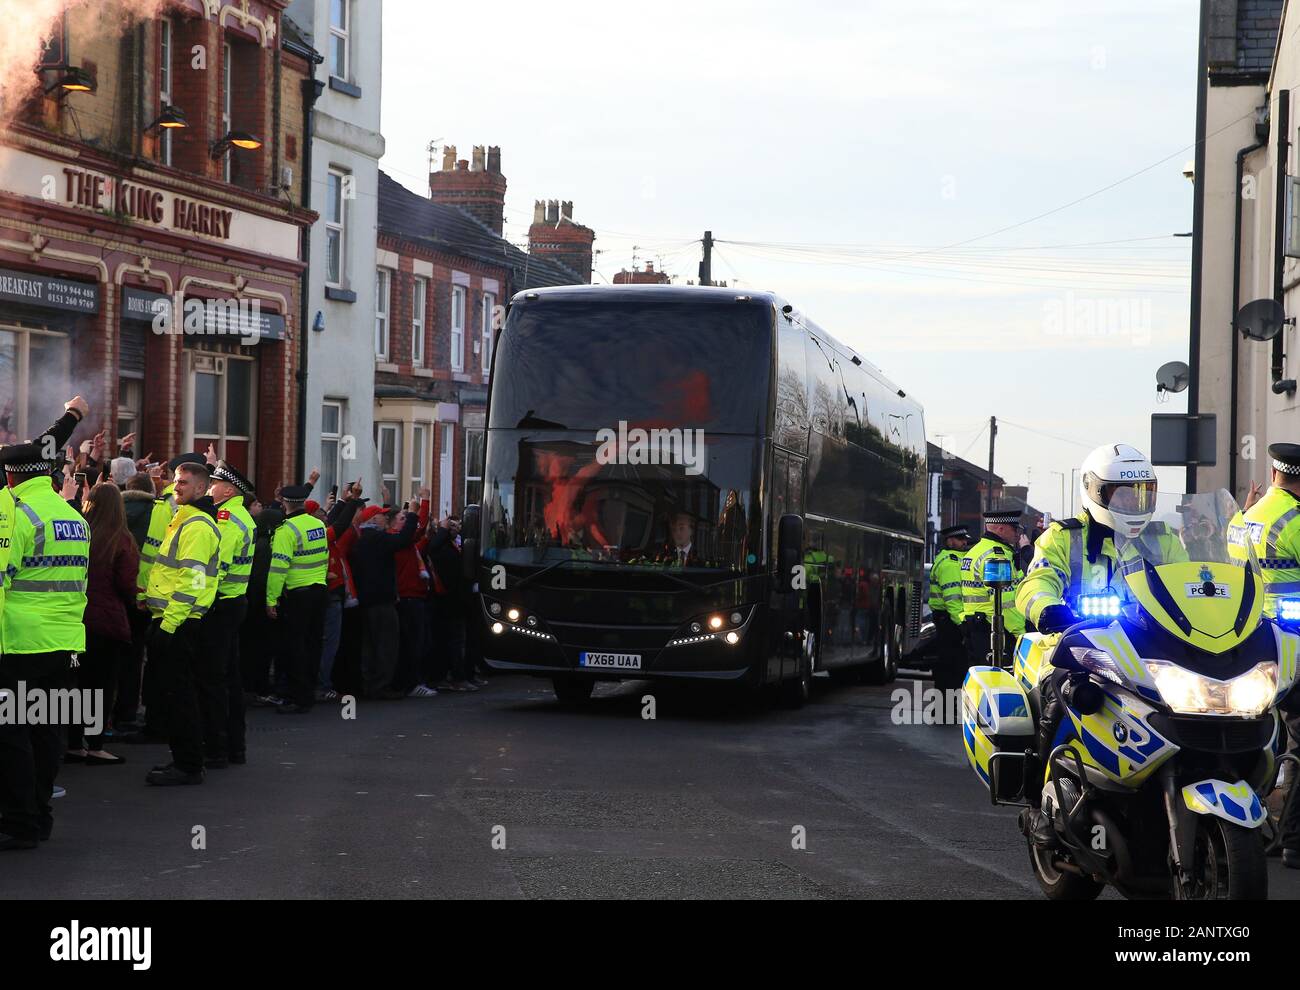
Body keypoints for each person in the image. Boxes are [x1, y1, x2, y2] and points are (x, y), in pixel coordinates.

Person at [1014, 443, 1166, 846]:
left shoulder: (1162, 539)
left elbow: (1191, 579)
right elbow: (1036, 581)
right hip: (1076, 647)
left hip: (1145, 653)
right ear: (1096, 492)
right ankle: (1040, 805)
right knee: (1064, 698)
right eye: (1124, 494)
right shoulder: (1063, 538)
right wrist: (1048, 608)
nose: (1135, 504)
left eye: (1143, 494)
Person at [0, 397, 89, 850]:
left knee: (11, 736)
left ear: (13, 477)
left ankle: (19, 823)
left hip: (20, 644)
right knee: (46, 730)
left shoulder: (15, 513)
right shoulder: (72, 516)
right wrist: (70, 419)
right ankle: (39, 816)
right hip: (66, 642)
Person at [142, 457, 221, 786]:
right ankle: (184, 760)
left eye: (184, 482)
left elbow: (193, 582)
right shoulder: (184, 519)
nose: (177, 486)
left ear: (201, 488)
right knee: (174, 695)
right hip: (171, 619)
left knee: (181, 695)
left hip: (179, 623)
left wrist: (168, 625)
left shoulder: (198, 526)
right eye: (176, 480)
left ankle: (188, 765)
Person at [1240, 443, 1300, 869]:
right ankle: (1294, 839)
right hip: (1293, 643)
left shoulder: (1246, 518)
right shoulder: (1295, 520)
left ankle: (1250, 825)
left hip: (1246, 643)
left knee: (1258, 735)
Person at [68, 483, 138, 766]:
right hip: (108, 623)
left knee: (77, 684)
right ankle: (96, 744)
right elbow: (125, 584)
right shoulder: (121, 540)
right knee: (102, 686)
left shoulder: (80, 534)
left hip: (76, 620)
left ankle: (73, 744)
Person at [201, 461, 258, 767]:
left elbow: (215, 569)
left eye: (213, 483)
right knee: (230, 679)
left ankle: (216, 748)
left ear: (227, 489)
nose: (209, 488)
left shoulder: (226, 520)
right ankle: (235, 746)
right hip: (234, 603)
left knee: (213, 679)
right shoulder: (241, 516)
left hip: (219, 605)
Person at [265, 480, 329, 714]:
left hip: (297, 595)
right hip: (319, 591)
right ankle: (309, 693)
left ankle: (297, 697)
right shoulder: (318, 525)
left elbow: (278, 569)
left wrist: (271, 600)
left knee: (294, 647)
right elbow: (323, 557)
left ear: (284, 503)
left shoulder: (286, 530)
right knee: (313, 645)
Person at [349, 505, 419, 699]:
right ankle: (380, 686)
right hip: (380, 600)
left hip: (367, 599)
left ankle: (369, 684)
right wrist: (413, 514)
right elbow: (403, 540)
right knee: (386, 644)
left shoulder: (363, 539)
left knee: (370, 644)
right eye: (382, 515)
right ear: (372, 519)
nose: (386, 518)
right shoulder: (376, 538)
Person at [960, 509, 1025, 670]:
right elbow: (1005, 603)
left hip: (977, 628)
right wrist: (1020, 634)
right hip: (998, 631)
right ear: (1001, 529)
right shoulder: (997, 556)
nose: (1018, 533)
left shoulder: (975, 551)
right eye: (1014, 528)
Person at [426, 515, 475, 692]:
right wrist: (442, 530)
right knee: (452, 642)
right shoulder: (440, 548)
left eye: (455, 526)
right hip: (448, 602)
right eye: (450, 526)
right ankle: (454, 677)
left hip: (456, 601)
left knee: (454, 641)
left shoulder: (454, 547)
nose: (455, 529)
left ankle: (451, 675)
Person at [928, 524, 972, 690]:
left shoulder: (954, 559)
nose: (964, 543)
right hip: (950, 621)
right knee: (952, 667)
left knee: (949, 666)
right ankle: (944, 709)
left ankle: (943, 709)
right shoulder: (950, 563)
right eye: (960, 540)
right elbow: (953, 599)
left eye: (965, 539)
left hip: (947, 620)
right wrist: (962, 623)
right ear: (950, 541)